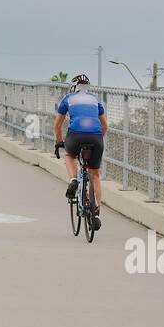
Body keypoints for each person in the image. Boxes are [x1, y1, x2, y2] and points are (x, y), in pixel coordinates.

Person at [53, 74, 106, 230]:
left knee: (69, 155)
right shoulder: (96, 100)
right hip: (96, 137)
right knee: (95, 173)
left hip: (75, 135)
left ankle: (73, 180)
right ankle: (96, 213)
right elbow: (105, 126)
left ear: (73, 87)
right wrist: (97, 140)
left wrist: (59, 142)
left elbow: (57, 126)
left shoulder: (68, 98)